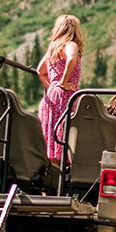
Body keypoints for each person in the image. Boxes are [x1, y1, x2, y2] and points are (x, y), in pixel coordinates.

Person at [36, 14, 84, 166]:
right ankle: (61, 181)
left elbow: (40, 71)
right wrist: (63, 81)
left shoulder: (53, 48)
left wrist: (53, 87)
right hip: (65, 97)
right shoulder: (71, 45)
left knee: (50, 138)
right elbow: (71, 59)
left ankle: (51, 181)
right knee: (64, 137)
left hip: (51, 97)